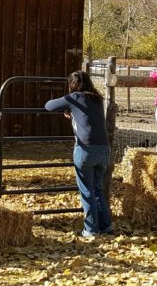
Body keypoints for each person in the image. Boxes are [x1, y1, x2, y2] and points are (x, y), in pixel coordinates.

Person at [44, 71, 114, 239]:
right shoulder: (97, 99)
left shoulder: (75, 97)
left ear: (72, 84)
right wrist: (72, 112)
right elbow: (87, 117)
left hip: (86, 149)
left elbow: (49, 105)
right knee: (97, 188)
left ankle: (90, 230)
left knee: (86, 190)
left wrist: (68, 105)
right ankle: (106, 226)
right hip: (103, 149)